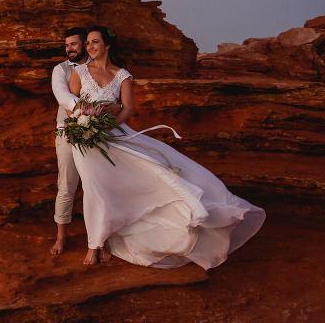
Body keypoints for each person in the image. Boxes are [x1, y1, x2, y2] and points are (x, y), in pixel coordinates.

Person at [67, 26, 266, 268]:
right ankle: (94, 244)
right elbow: (71, 107)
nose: (89, 47)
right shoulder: (79, 72)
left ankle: (106, 240)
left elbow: (128, 109)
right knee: (95, 188)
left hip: (114, 135)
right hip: (84, 139)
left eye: (95, 42)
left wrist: (106, 127)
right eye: (87, 43)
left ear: (107, 45)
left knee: (138, 178)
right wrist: (84, 126)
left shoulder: (122, 76)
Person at [50, 27, 122, 254]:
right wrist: (87, 114)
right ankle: (61, 236)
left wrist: (116, 108)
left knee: (101, 187)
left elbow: (117, 99)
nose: (69, 48)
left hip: (100, 132)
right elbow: (63, 97)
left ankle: (102, 238)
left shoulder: (102, 67)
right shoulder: (61, 69)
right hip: (69, 132)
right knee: (67, 185)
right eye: (67, 45)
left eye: (74, 44)